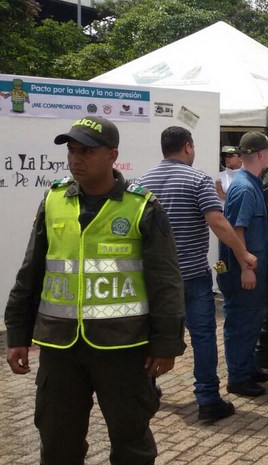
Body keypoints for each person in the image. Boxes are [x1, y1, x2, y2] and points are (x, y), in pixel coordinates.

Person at [4, 115, 185, 464]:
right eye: (72, 150)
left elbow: (165, 282)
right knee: (58, 442)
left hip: (124, 348)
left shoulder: (141, 207)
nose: (76, 159)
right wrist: (17, 333)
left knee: (131, 443)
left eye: (86, 151)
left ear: (112, 155)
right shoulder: (54, 200)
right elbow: (31, 271)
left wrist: (166, 345)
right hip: (60, 348)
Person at [137, 126, 259, 422]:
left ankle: (147, 390)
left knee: (150, 335)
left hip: (154, 279)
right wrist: (243, 255)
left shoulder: (142, 182)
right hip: (191, 275)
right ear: (188, 147)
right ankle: (207, 398)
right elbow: (216, 221)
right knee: (203, 336)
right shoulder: (198, 179)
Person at [218, 131, 268, 397]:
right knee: (241, 321)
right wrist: (245, 267)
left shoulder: (250, 181)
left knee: (251, 319)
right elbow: (237, 230)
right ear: (262, 154)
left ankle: (248, 367)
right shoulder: (244, 187)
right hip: (244, 270)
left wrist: (266, 240)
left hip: (252, 265)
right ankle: (238, 377)